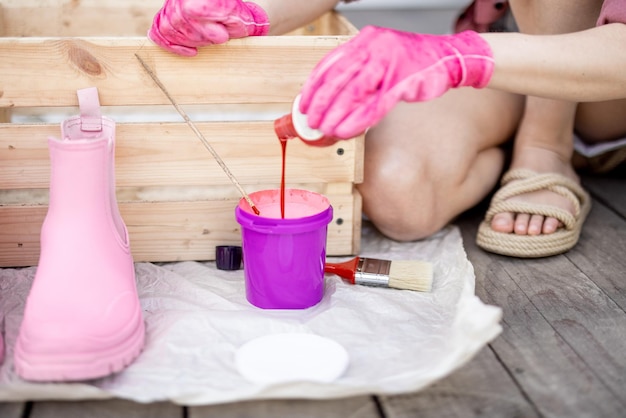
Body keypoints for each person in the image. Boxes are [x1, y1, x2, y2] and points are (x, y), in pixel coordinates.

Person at [148, 0, 626, 258]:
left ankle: (543, 148)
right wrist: (252, 9)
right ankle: (508, 143)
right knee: (400, 194)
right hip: (513, 62)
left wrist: (456, 57)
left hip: (608, 86)